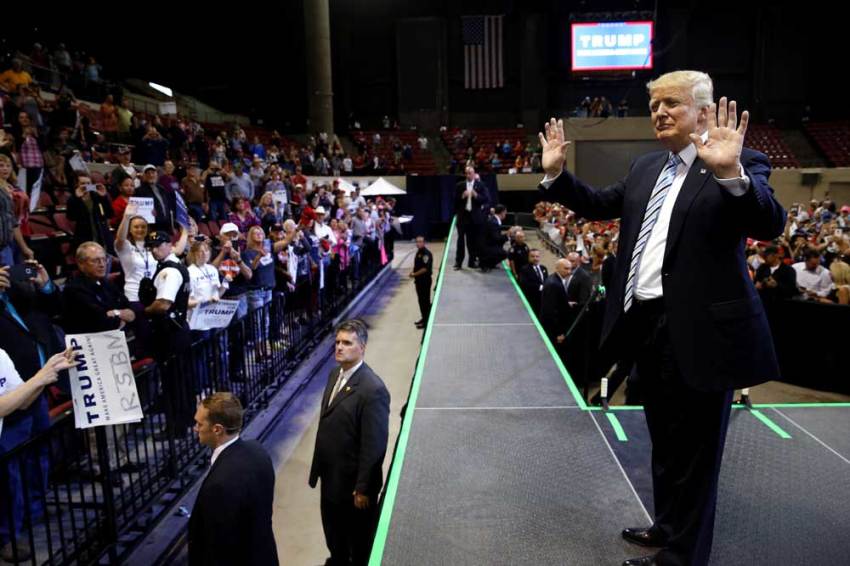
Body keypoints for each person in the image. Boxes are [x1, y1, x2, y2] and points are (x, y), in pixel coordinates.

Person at [538, 70, 785, 566]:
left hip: (701, 334)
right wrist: (556, 177)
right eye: (654, 106)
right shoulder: (648, 166)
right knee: (666, 444)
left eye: (671, 103)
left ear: (702, 111)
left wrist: (729, 175)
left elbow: (769, 222)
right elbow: (598, 204)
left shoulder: (739, 163)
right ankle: (668, 527)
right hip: (647, 329)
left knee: (697, 456)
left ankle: (683, 557)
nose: (660, 113)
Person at [309, 319, 390, 566]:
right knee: (334, 535)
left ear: (362, 347)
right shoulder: (335, 374)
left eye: (347, 343)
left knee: (356, 542)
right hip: (331, 478)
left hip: (352, 488)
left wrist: (363, 488)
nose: (339, 348)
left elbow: (374, 445)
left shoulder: (372, 390)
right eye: (337, 342)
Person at [188, 393, 278, 566]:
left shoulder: (219, 484)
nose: (195, 428)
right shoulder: (258, 451)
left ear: (217, 429)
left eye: (199, 424)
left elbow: (220, 546)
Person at [143, 231, 193, 436]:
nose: (154, 250)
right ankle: (184, 420)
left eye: (158, 245)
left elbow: (163, 304)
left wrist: (141, 312)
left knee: (174, 381)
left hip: (171, 332)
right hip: (178, 330)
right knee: (180, 378)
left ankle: (176, 427)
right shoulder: (174, 267)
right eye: (151, 246)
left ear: (169, 245)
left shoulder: (169, 272)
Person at [453, 166, 488, 270]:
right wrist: (462, 197)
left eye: (470, 173)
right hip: (462, 217)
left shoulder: (480, 185)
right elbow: (454, 201)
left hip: (475, 218)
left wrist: (476, 195)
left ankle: (472, 262)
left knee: (473, 241)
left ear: (474, 174)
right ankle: (458, 262)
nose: (468, 175)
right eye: (466, 173)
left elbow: (485, 199)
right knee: (460, 241)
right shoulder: (459, 185)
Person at [409, 236, 433, 329]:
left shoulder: (426, 254)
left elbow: (425, 269)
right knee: (421, 301)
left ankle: (426, 321)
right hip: (419, 281)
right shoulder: (419, 252)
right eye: (417, 242)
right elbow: (418, 266)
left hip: (425, 281)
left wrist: (414, 274)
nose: (418, 243)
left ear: (424, 242)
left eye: (420, 242)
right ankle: (424, 318)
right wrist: (413, 273)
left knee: (425, 301)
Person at [518, 249, 548, 315]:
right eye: (532, 256)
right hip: (531, 300)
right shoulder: (524, 269)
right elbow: (524, 284)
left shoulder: (544, 268)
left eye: (537, 256)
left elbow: (546, 281)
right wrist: (541, 287)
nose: (535, 258)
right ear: (528, 257)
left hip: (543, 299)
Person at [479, 204, 508, 271]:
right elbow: (496, 238)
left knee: (501, 249)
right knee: (504, 253)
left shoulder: (494, 220)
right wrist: (507, 235)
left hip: (487, 244)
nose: (505, 214)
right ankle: (486, 264)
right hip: (486, 247)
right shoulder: (494, 222)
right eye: (505, 212)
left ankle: (489, 264)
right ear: (502, 212)